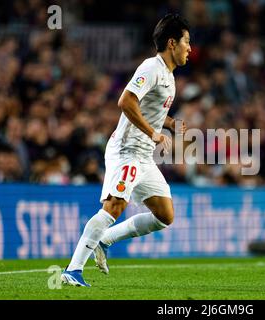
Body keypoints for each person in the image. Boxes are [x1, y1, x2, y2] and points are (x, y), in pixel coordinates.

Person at [61, 14, 191, 287]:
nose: (189, 49)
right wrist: (154, 133)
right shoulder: (151, 67)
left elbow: (148, 110)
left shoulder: (169, 76)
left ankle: (106, 240)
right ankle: (72, 270)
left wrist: (169, 123)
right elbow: (126, 101)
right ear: (171, 43)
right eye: (186, 42)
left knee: (165, 216)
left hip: (144, 156)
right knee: (114, 206)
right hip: (128, 151)